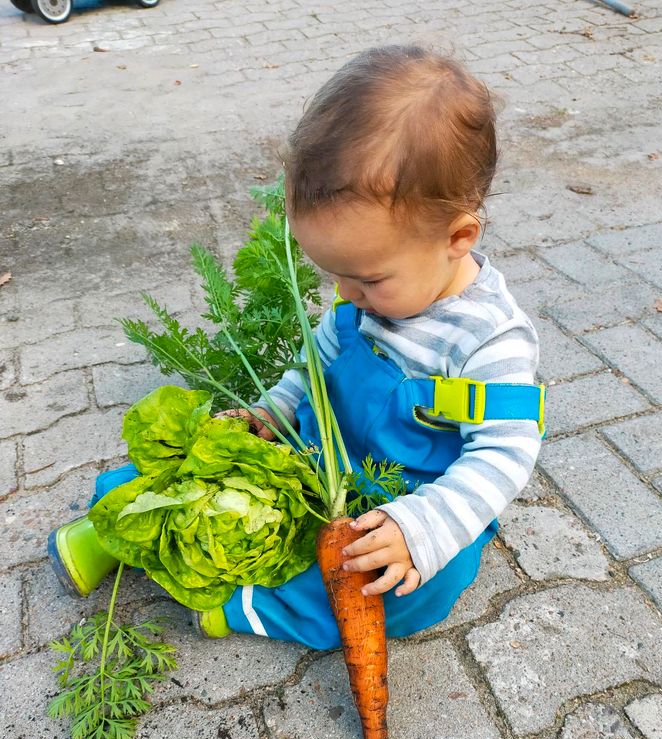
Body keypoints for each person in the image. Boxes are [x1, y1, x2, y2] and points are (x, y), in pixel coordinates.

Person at [49, 45, 544, 651]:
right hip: (313, 459)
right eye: (334, 275)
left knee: (416, 589)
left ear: (458, 237)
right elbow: (310, 370)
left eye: (367, 279)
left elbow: (505, 454)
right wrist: (271, 414)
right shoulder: (362, 298)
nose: (345, 294)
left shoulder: (489, 338)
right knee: (195, 468)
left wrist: (424, 529)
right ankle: (119, 524)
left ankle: (245, 604)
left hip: (401, 504)